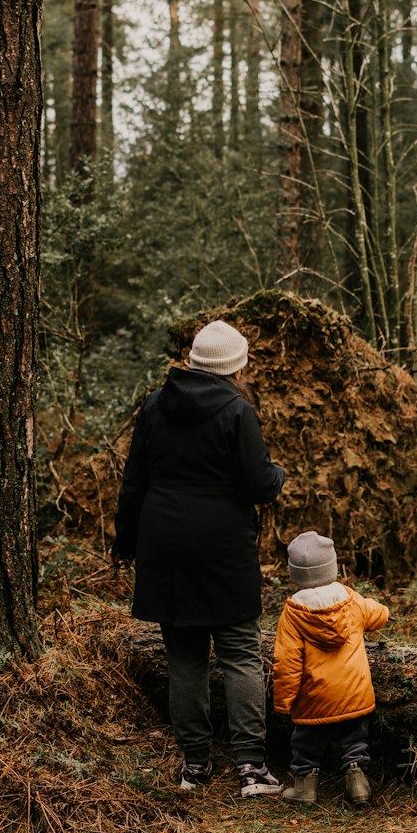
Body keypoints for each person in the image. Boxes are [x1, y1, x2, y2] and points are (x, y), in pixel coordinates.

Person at [112, 318, 286, 796]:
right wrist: (278, 474)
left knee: (184, 657)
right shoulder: (237, 411)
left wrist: (125, 542)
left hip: (163, 543)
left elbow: (134, 482)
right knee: (240, 654)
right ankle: (251, 767)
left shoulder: (153, 405)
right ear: (235, 367)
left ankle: (195, 765)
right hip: (222, 546)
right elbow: (259, 485)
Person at [272, 530, 389, 807]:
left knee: (305, 747)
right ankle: (358, 784)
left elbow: (286, 662)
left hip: (314, 700)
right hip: (354, 694)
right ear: (333, 567)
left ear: (295, 573)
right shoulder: (351, 600)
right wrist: (385, 612)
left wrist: (283, 702)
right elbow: (377, 614)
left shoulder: (293, 613)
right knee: (354, 742)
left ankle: (305, 788)